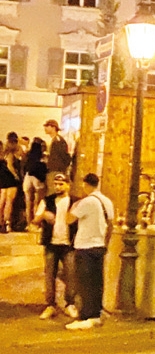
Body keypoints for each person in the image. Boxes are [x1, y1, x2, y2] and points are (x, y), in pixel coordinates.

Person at [65, 173, 114, 330]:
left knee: (84, 283)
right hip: (99, 246)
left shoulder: (86, 202)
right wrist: (105, 243)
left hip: (85, 246)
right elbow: (111, 224)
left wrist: (74, 205)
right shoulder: (107, 202)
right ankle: (96, 313)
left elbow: (69, 219)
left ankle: (86, 316)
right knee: (97, 282)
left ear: (86, 184)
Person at [33, 173, 78, 320]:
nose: (58, 187)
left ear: (68, 185)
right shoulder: (47, 201)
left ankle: (69, 304)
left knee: (70, 274)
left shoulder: (75, 202)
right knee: (49, 275)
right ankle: (50, 305)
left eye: (61, 184)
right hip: (51, 243)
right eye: (56, 184)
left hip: (68, 244)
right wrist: (43, 216)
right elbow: (35, 220)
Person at [23, 137, 48, 227]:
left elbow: (24, 166)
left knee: (28, 202)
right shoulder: (42, 156)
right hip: (38, 178)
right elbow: (45, 167)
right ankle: (36, 223)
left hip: (27, 177)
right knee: (38, 202)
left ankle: (28, 223)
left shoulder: (28, 155)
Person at [0, 134, 20, 232]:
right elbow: (10, 165)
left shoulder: (4, 153)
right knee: (9, 202)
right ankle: (7, 222)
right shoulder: (11, 154)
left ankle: (1, 222)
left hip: (3, 178)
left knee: (2, 201)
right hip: (10, 179)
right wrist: (16, 175)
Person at [44, 120, 71, 184]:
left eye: (47, 126)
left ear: (53, 128)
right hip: (54, 170)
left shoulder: (58, 140)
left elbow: (64, 155)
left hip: (56, 171)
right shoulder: (54, 140)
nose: (45, 128)